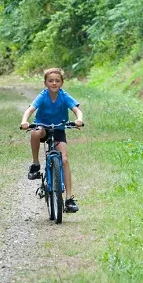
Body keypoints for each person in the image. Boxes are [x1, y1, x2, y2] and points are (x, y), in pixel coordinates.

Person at [20, 67, 84, 213]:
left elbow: (76, 110)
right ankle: (36, 164)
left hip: (59, 129)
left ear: (61, 83)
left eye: (57, 81)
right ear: (45, 83)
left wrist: (79, 119)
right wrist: (25, 121)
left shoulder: (64, 96)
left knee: (65, 160)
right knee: (35, 133)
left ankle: (68, 199)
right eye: (50, 81)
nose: (54, 83)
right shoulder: (43, 96)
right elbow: (30, 110)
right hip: (43, 128)